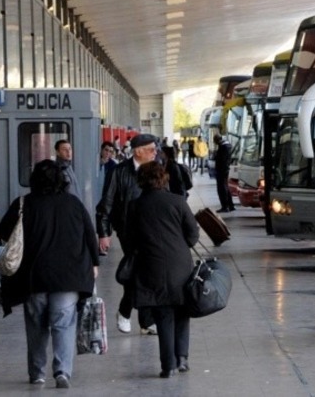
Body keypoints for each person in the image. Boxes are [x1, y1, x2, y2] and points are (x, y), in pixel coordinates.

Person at [0, 159, 99, 389]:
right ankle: (62, 371)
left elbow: (4, 232)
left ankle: (37, 374)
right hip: (68, 275)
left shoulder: (23, 203)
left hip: (34, 276)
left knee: (36, 325)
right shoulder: (73, 203)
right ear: (61, 180)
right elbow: (89, 235)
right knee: (64, 323)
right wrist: (94, 263)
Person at [126, 162, 199, 378]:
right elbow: (193, 235)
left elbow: (129, 240)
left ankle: (168, 365)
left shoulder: (135, 206)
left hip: (150, 265)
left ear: (141, 180)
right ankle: (182, 358)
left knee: (163, 315)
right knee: (182, 311)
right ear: (163, 178)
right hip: (180, 265)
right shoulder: (178, 202)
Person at [95, 133, 158, 336]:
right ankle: (129, 314)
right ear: (138, 151)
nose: (155, 153)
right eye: (151, 149)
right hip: (128, 230)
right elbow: (106, 204)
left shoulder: (156, 169)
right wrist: (104, 233)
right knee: (139, 269)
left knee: (144, 272)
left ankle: (138, 318)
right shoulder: (119, 172)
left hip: (152, 229)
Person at [214, 134, 235, 212]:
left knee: (221, 188)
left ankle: (225, 206)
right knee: (226, 187)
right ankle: (231, 205)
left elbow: (221, 160)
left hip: (221, 170)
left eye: (215, 141)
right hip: (225, 169)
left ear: (217, 140)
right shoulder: (227, 146)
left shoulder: (223, 147)